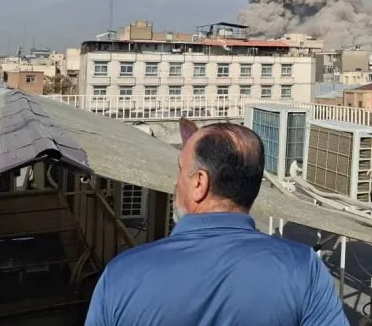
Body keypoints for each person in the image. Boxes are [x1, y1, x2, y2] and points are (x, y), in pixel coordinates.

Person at [85, 120, 349, 326]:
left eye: (181, 170)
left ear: (199, 183)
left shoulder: (123, 274)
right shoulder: (304, 270)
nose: (176, 182)